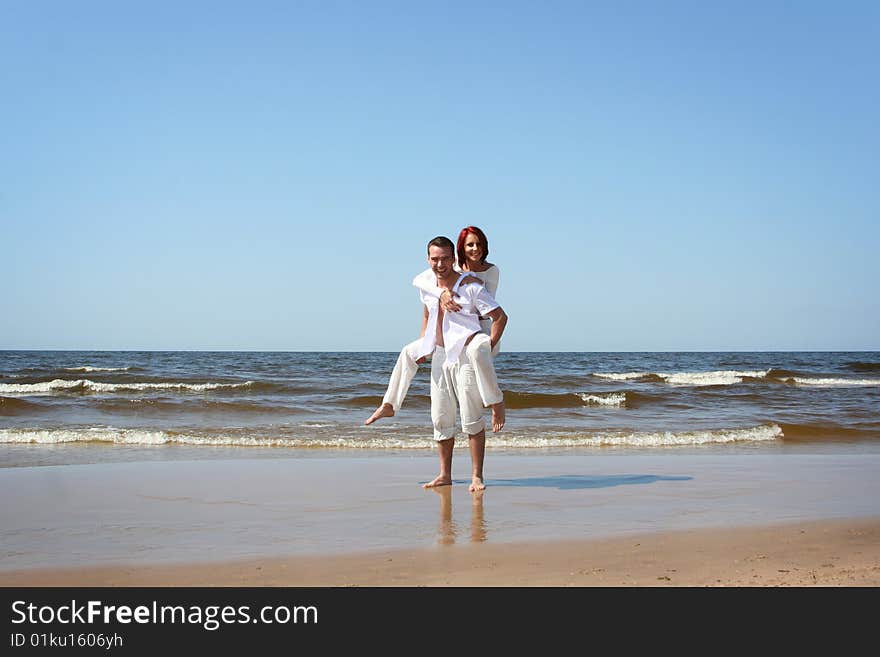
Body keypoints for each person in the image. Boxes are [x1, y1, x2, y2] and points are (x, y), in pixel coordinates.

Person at [364, 226, 505, 431]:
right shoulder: (449, 267)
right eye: (470, 245)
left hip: (480, 332)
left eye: (479, 244)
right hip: (448, 335)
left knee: (475, 355)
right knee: (407, 352)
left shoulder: (490, 271)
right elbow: (419, 282)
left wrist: (467, 283)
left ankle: (494, 403)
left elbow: (488, 310)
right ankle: (389, 404)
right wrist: (440, 297)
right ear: (460, 250)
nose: (475, 249)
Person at [416, 236, 508, 491]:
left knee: (470, 415)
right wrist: (425, 344)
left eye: (445, 258)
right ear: (428, 260)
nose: (440, 264)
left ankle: (477, 476)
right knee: (441, 416)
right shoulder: (427, 286)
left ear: (454, 260)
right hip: (440, 357)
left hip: (465, 355)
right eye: (435, 259)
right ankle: (445, 474)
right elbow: (426, 314)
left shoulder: (470, 286)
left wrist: (487, 346)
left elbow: (500, 316)